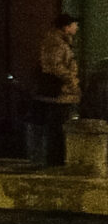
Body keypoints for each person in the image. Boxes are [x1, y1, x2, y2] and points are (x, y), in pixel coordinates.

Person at [30, 13, 81, 164]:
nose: (76, 28)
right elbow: (54, 66)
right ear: (66, 27)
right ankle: (55, 160)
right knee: (58, 128)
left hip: (63, 92)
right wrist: (71, 79)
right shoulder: (56, 43)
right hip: (60, 92)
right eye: (74, 25)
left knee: (59, 127)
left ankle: (56, 159)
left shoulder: (60, 41)